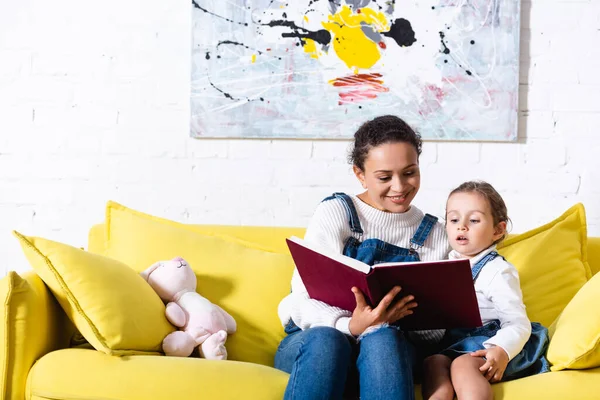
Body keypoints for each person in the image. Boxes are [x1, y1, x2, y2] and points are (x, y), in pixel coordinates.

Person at [274, 115, 451, 400]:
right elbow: (300, 301)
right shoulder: (336, 213)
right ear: (360, 174)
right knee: (327, 340)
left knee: (382, 338)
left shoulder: (436, 233)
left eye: (409, 172)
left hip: (390, 352)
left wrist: (389, 320)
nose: (399, 187)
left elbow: (434, 334)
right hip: (318, 344)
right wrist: (351, 325)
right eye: (384, 177)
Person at [421, 181, 550, 400]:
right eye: (454, 220)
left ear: (497, 230)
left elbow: (518, 323)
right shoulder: (445, 265)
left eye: (473, 220)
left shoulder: (498, 271)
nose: (462, 226)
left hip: (494, 344)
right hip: (457, 343)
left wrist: (501, 350)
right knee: (433, 362)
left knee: (463, 364)